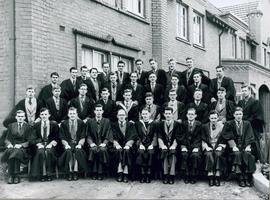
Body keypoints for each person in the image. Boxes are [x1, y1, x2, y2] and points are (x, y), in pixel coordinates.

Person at [221, 107, 257, 187]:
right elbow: (226, 135)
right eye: (237, 114)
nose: (239, 116)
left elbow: (250, 136)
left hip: (244, 146)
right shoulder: (229, 123)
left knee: (248, 155)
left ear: (242, 114)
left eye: (240, 114)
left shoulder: (247, 123)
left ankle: (247, 177)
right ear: (234, 115)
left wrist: (248, 146)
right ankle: (240, 177)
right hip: (232, 147)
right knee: (237, 154)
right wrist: (233, 146)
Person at [1, 110, 32, 184]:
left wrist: (21, 145)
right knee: (12, 151)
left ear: (24, 117)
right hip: (13, 147)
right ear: (16, 117)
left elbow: (30, 141)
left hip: (23, 149)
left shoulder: (28, 127)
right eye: (19, 116)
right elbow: (7, 139)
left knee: (16, 152)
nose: (20, 118)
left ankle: (12, 175)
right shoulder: (11, 126)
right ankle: (15, 176)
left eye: (22, 116)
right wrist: (9, 144)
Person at [29, 108, 60, 181]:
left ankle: (49, 174)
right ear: (39, 115)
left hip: (50, 144)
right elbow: (32, 138)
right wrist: (38, 144)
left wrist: (51, 144)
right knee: (41, 152)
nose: (44, 116)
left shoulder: (54, 124)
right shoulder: (36, 125)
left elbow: (57, 137)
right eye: (42, 114)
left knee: (49, 152)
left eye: (46, 114)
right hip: (40, 144)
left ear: (49, 115)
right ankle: (42, 174)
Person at [58, 107, 88, 181]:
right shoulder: (64, 124)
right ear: (68, 114)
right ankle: (70, 171)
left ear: (76, 114)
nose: (72, 115)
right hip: (68, 143)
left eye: (74, 113)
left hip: (78, 143)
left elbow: (83, 135)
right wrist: (66, 144)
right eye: (70, 113)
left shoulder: (81, 123)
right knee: (68, 151)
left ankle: (75, 171)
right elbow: (62, 137)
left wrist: (80, 144)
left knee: (77, 151)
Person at [237, 84, 264, 161]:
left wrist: (246, 122)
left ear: (249, 91)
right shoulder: (240, 102)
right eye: (242, 91)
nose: (244, 92)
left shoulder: (255, 102)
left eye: (245, 90)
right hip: (242, 127)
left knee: (253, 145)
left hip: (253, 127)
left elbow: (257, 116)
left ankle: (254, 162)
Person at [86, 104, 113, 180]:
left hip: (103, 143)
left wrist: (104, 143)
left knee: (102, 150)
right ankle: (94, 172)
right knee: (93, 149)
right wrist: (91, 143)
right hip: (93, 143)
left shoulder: (107, 121)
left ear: (102, 111)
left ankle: (100, 172)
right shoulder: (90, 121)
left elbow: (108, 133)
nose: (98, 112)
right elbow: (88, 134)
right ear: (94, 111)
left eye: (100, 110)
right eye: (97, 110)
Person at [111, 109, 138, 183]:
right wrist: (116, 144)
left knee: (126, 151)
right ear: (117, 116)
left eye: (123, 115)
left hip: (128, 146)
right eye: (120, 115)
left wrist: (128, 144)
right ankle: (120, 172)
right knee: (119, 151)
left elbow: (133, 136)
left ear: (126, 116)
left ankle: (126, 173)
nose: (121, 116)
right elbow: (112, 136)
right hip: (118, 146)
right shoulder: (114, 125)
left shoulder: (130, 125)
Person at [201, 110, 226, 186]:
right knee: (208, 154)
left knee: (218, 154)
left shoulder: (222, 126)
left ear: (218, 118)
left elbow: (224, 138)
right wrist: (206, 147)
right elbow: (202, 138)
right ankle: (210, 174)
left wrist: (220, 146)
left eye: (215, 118)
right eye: (212, 118)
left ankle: (217, 175)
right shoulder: (205, 126)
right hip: (209, 146)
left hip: (218, 146)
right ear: (209, 118)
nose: (213, 120)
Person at [157, 107, 181, 184]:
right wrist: (162, 145)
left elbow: (178, 136)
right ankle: (165, 174)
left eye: (169, 113)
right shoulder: (160, 124)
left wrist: (174, 145)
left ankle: (171, 175)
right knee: (164, 152)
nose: (168, 115)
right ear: (164, 114)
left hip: (173, 145)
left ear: (172, 114)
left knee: (173, 153)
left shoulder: (177, 124)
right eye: (166, 113)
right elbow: (159, 136)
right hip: (164, 145)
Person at [179, 108, 202, 184]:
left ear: (195, 115)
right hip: (185, 145)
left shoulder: (199, 124)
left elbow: (199, 137)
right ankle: (186, 174)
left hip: (195, 146)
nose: (190, 116)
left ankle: (193, 175)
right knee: (184, 154)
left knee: (195, 155)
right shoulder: (183, 124)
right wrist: (183, 147)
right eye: (189, 114)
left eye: (192, 114)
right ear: (186, 115)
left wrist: (196, 147)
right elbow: (181, 136)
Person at [135, 108, 156, 183]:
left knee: (150, 153)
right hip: (141, 144)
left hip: (150, 144)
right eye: (143, 114)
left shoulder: (153, 123)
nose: (145, 116)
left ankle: (148, 174)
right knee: (140, 152)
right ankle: (142, 174)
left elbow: (155, 135)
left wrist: (152, 144)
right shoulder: (138, 123)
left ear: (149, 114)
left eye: (146, 114)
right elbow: (136, 135)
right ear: (141, 115)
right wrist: (140, 144)